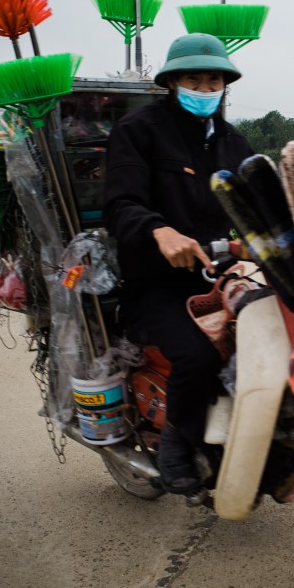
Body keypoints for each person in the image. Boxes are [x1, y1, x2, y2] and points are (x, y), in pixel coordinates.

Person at [104, 33, 255, 494]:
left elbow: (257, 204)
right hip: (156, 283)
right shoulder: (138, 130)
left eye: (214, 81)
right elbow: (120, 204)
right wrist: (159, 230)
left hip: (220, 278)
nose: (205, 89)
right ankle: (177, 439)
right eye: (194, 79)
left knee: (275, 335)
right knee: (199, 355)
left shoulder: (233, 142)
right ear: (172, 82)